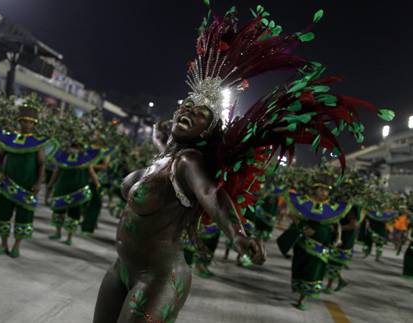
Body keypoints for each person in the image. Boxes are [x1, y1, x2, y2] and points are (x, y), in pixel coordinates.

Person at [92, 5, 389, 321]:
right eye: (188, 108)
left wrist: (238, 234)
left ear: (206, 133)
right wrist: (160, 134)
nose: (190, 113)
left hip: (157, 278)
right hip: (120, 267)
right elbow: (162, 136)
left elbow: (211, 194)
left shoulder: (188, 161)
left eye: (201, 116)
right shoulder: (163, 156)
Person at [0, 97, 49, 258]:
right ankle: (3, 245)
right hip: (7, 184)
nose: (26, 125)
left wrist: (38, 183)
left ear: (34, 124)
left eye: (30, 122)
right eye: (24, 121)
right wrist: (0, 172)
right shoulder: (10, 139)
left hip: (28, 186)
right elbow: (0, 158)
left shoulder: (37, 143)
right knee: (4, 215)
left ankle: (16, 246)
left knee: (24, 218)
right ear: (19, 121)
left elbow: (42, 164)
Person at [287, 174, 348, 310]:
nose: (324, 193)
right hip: (303, 243)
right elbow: (293, 215)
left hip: (321, 246)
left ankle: (303, 299)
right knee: (300, 268)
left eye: (326, 190)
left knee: (313, 271)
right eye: (321, 189)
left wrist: (338, 238)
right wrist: (303, 227)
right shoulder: (304, 201)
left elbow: (337, 222)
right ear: (315, 189)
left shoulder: (332, 207)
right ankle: (302, 293)